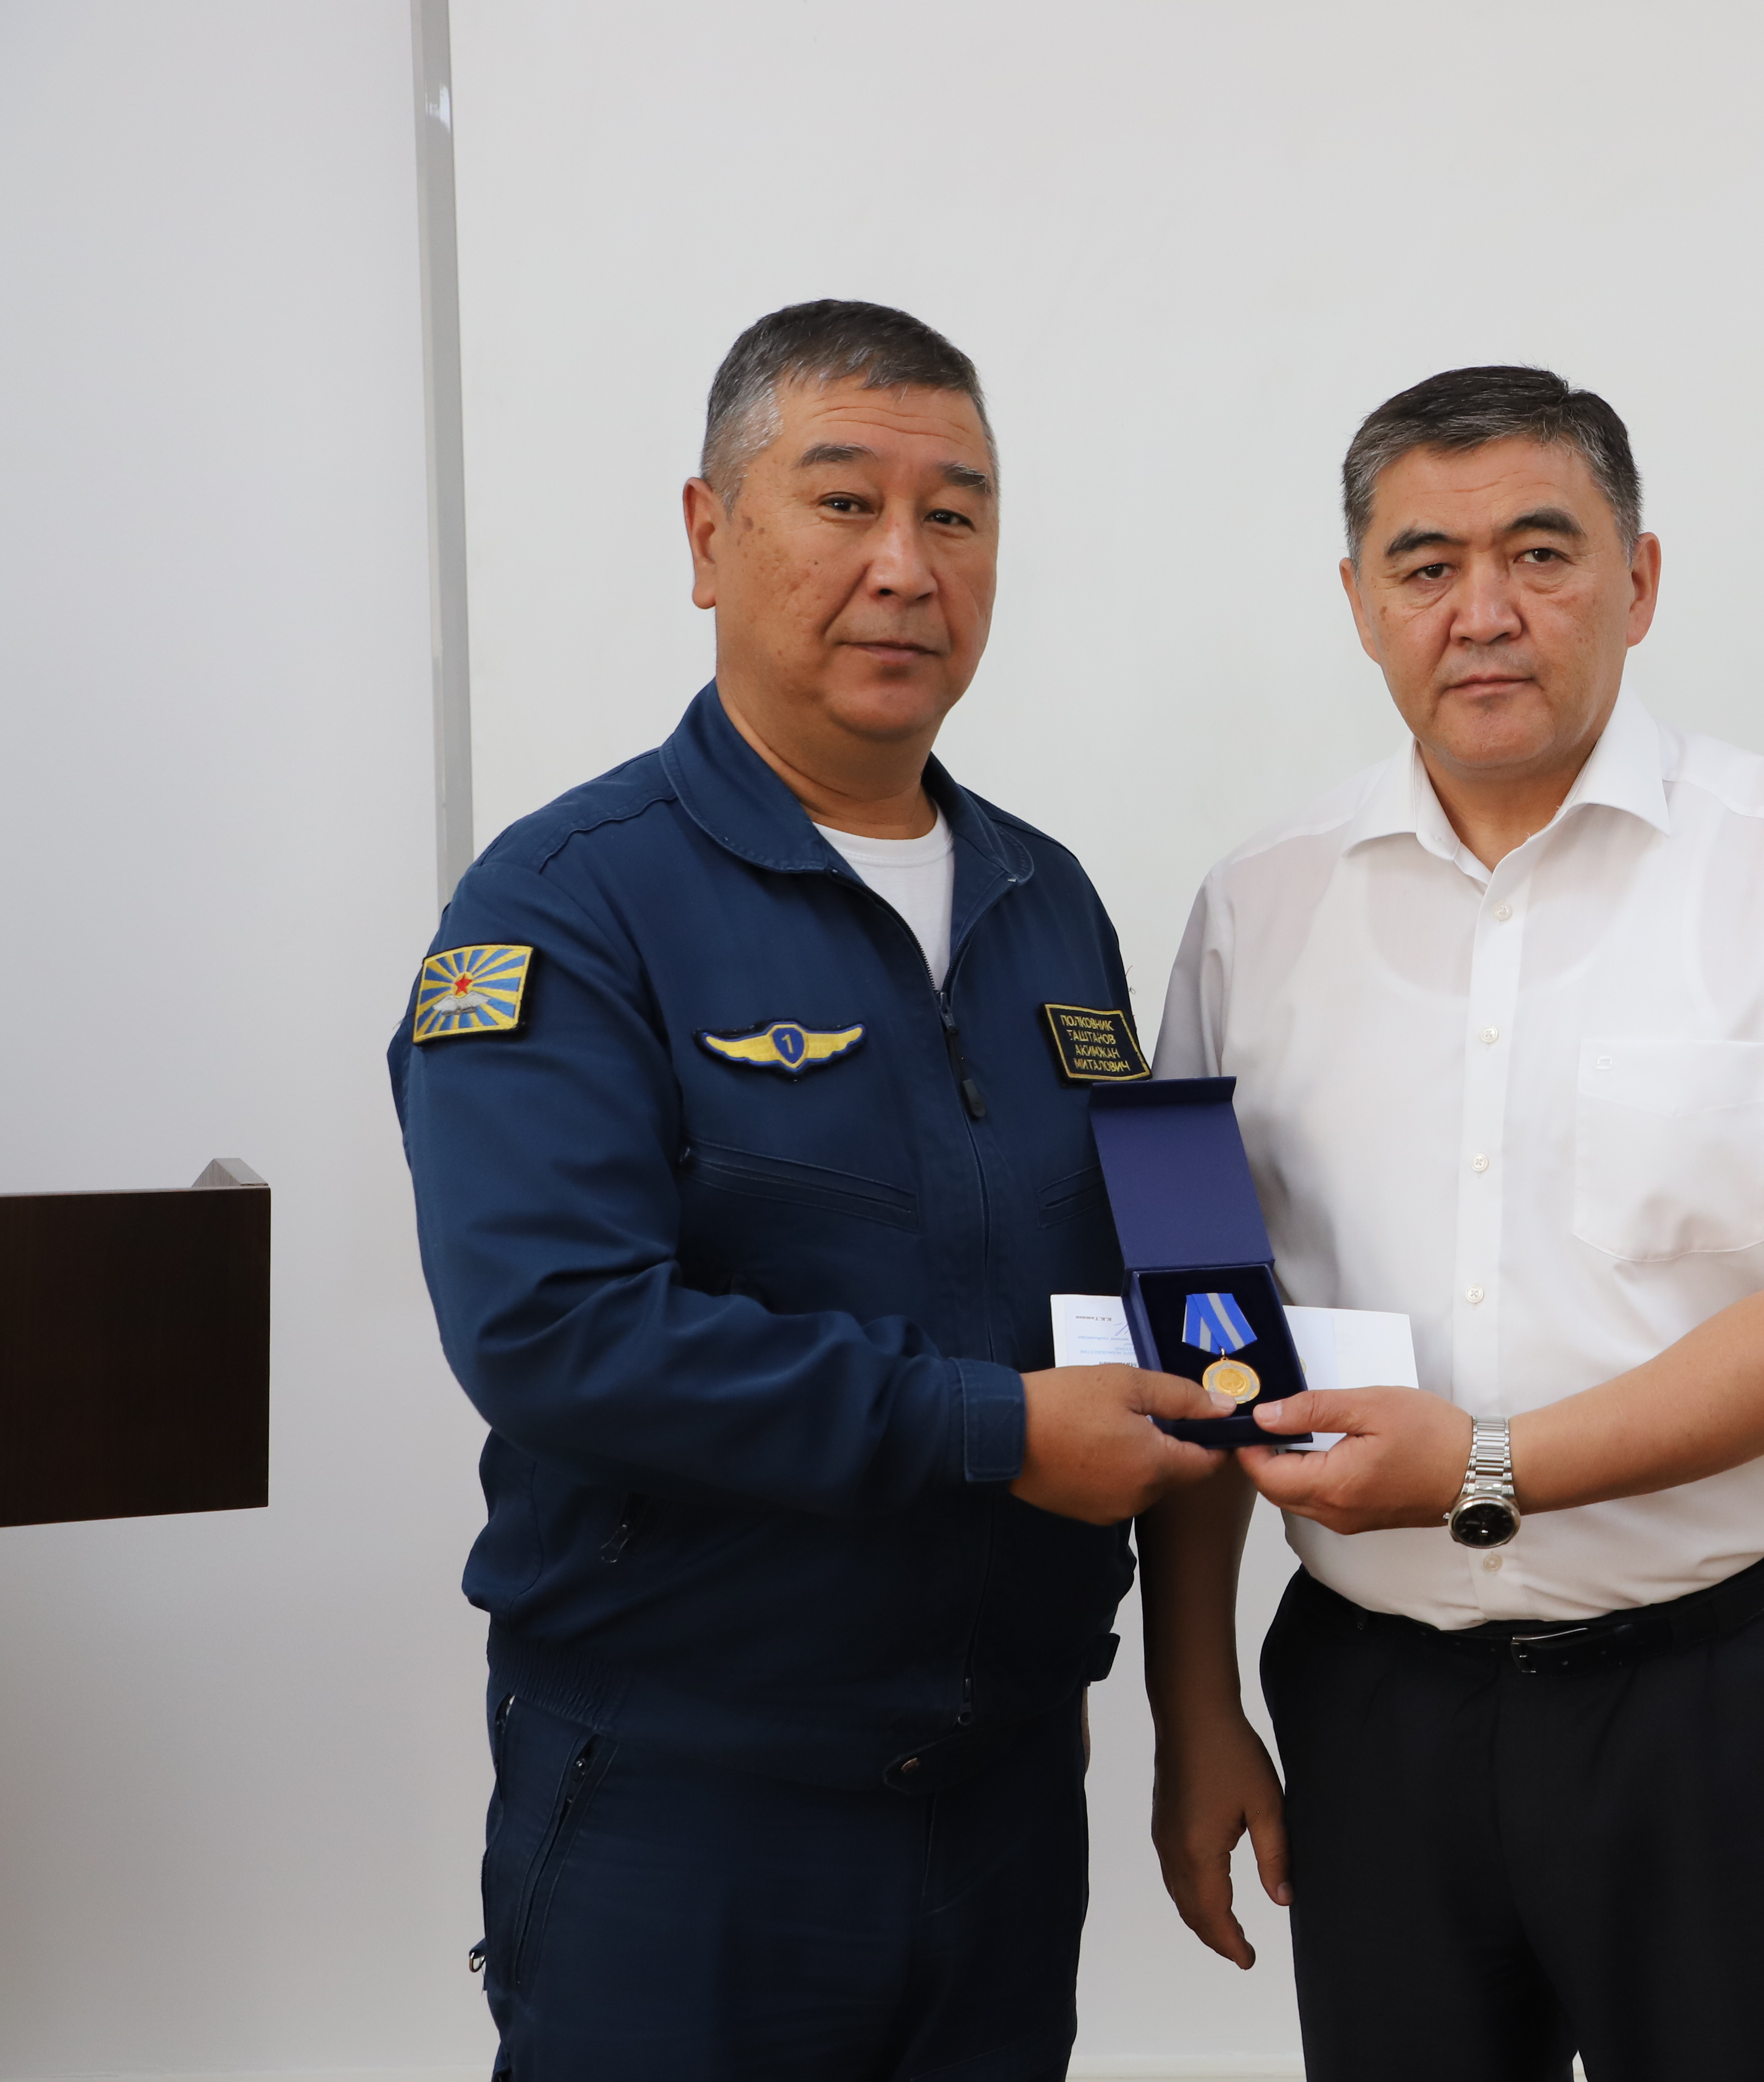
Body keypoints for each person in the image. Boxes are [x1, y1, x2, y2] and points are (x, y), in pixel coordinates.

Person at [1138, 365, 1764, 2080]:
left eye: (1541, 554)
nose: (1483, 611)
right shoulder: (1256, 906)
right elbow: (1198, 1326)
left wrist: (1485, 1467)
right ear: (1361, 604)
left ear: (1640, 580)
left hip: (1730, 1704)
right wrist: (1197, 1708)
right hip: (1375, 1711)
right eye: (1426, 566)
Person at [389, 299, 1231, 2081]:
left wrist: (1202, 1684)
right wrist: (999, 1430)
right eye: (845, 503)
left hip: (1006, 1802)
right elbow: (557, 1335)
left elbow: (1178, 1269)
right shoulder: (564, 905)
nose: (907, 568)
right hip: (688, 1811)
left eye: (957, 515)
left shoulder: (1050, 901)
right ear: (710, 537)